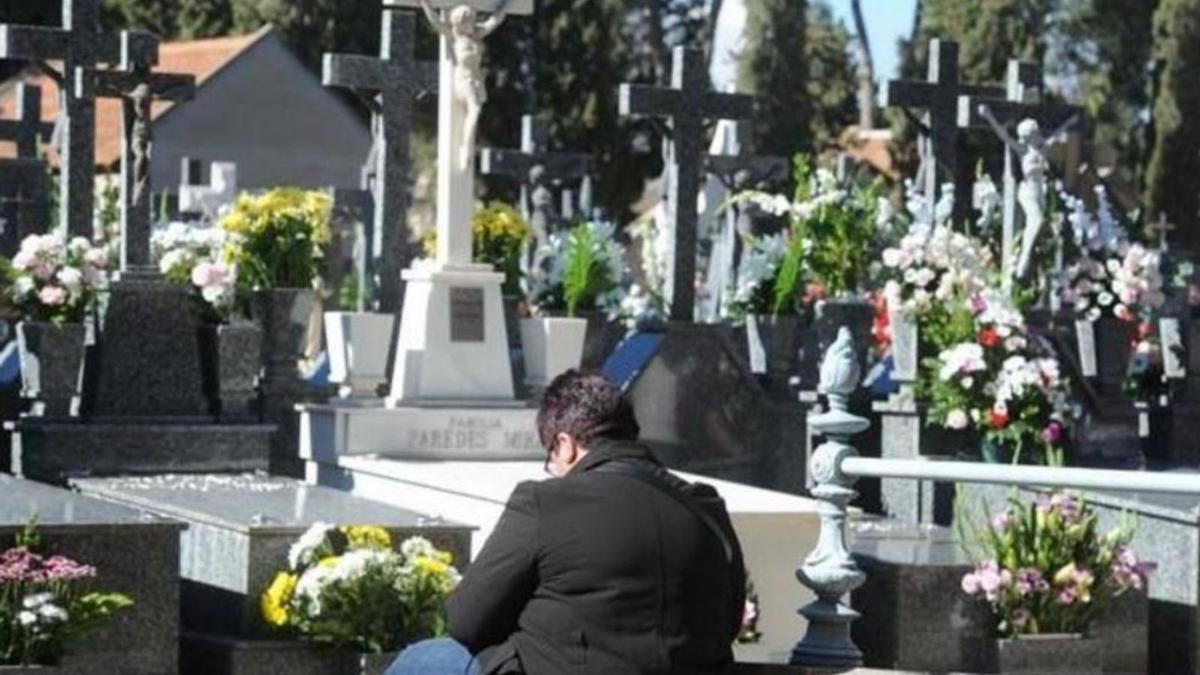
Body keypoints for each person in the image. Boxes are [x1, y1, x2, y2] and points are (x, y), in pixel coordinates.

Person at [386, 370, 747, 675]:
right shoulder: (704, 505)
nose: (554, 470)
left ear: (565, 445)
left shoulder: (545, 502)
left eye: (550, 458)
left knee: (425, 659)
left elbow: (466, 621)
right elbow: (727, 623)